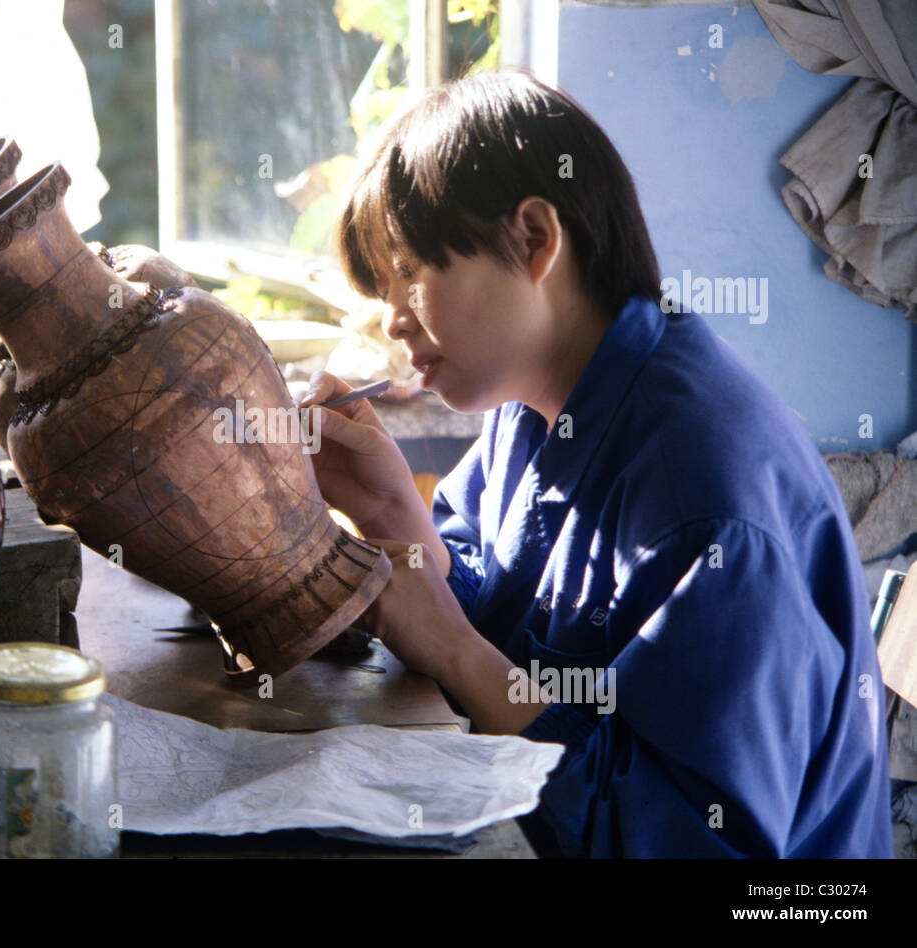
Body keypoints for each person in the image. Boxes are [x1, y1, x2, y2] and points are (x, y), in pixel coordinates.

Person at [298, 70, 892, 857]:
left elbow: (692, 841)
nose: (391, 319)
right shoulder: (534, 407)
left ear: (536, 239)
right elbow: (495, 609)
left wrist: (450, 649)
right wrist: (396, 522)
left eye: (410, 273)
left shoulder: (708, 500)